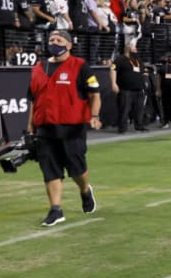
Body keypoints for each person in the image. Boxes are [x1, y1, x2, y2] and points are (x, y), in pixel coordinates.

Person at [27, 30, 101, 227]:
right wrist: (30, 126)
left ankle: (85, 190)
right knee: (50, 169)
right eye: (51, 39)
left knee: (76, 169)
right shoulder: (39, 68)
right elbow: (33, 99)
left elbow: (94, 94)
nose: (54, 42)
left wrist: (94, 116)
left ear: (69, 45)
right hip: (45, 127)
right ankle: (56, 209)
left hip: (72, 127)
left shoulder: (80, 66)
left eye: (59, 40)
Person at [110, 40, 147, 133]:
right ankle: (122, 128)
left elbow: (142, 71)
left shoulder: (137, 60)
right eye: (134, 47)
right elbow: (113, 70)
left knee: (139, 109)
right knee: (124, 109)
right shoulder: (120, 59)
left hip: (139, 89)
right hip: (126, 89)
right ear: (128, 48)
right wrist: (113, 83)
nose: (136, 49)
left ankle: (139, 126)